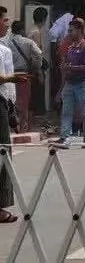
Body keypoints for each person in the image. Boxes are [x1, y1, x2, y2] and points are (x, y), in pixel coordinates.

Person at [58, 18, 85, 147]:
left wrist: (70, 68)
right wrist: (65, 68)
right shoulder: (70, 48)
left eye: (71, 30)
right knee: (66, 111)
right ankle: (64, 136)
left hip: (82, 84)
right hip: (69, 83)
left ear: (79, 30)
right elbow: (68, 65)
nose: (69, 33)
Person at [8, 21, 43, 133]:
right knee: (24, 102)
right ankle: (23, 128)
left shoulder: (6, 43)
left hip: (10, 75)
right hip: (24, 75)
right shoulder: (28, 42)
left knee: (11, 101)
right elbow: (38, 54)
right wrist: (35, 68)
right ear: (22, 30)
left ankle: (11, 128)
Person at [0, 15, 17, 223]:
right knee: (3, 151)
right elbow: (9, 85)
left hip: (3, 105)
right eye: (3, 20)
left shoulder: (5, 49)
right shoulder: (3, 51)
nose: (7, 24)